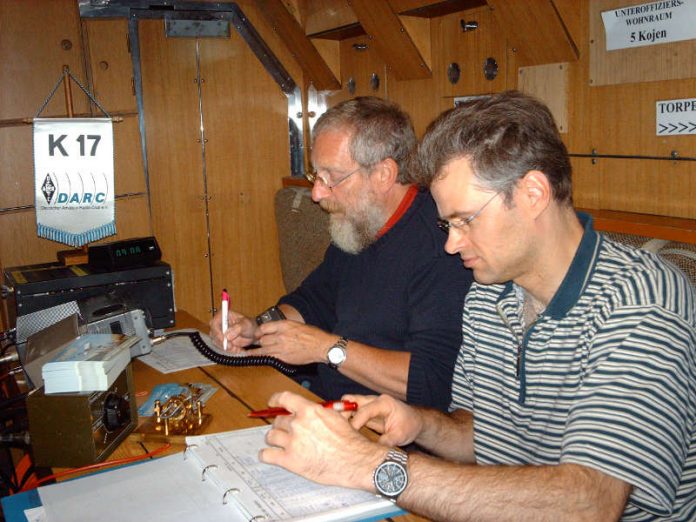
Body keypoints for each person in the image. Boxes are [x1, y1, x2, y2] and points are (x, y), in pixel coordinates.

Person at [256, 91, 696, 521]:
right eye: (447, 224)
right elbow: (480, 436)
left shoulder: (643, 303)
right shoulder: (490, 295)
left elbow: (589, 504)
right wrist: (419, 424)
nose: (450, 244)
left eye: (465, 220)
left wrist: (370, 466)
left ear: (533, 193)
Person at [210, 96, 472, 410]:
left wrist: (327, 349)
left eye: (331, 178)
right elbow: (313, 300)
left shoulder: (444, 246)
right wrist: (256, 329)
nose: (317, 194)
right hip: (328, 403)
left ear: (383, 174)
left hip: (392, 433)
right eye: (315, 176)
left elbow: (434, 380)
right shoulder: (359, 224)